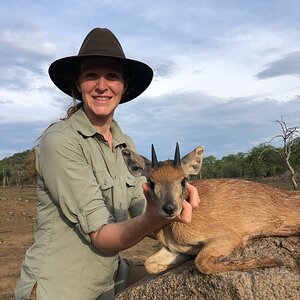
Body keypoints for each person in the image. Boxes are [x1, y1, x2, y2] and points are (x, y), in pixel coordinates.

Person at [15, 28, 200, 300]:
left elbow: (142, 205)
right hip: (62, 289)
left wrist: (176, 198)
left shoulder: (125, 144)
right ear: (77, 84)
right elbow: (102, 236)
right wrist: (157, 215)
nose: (102, 85)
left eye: (112, 76)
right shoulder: (60, 142)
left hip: (110, 277)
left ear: (124, 86)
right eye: (91, 75)